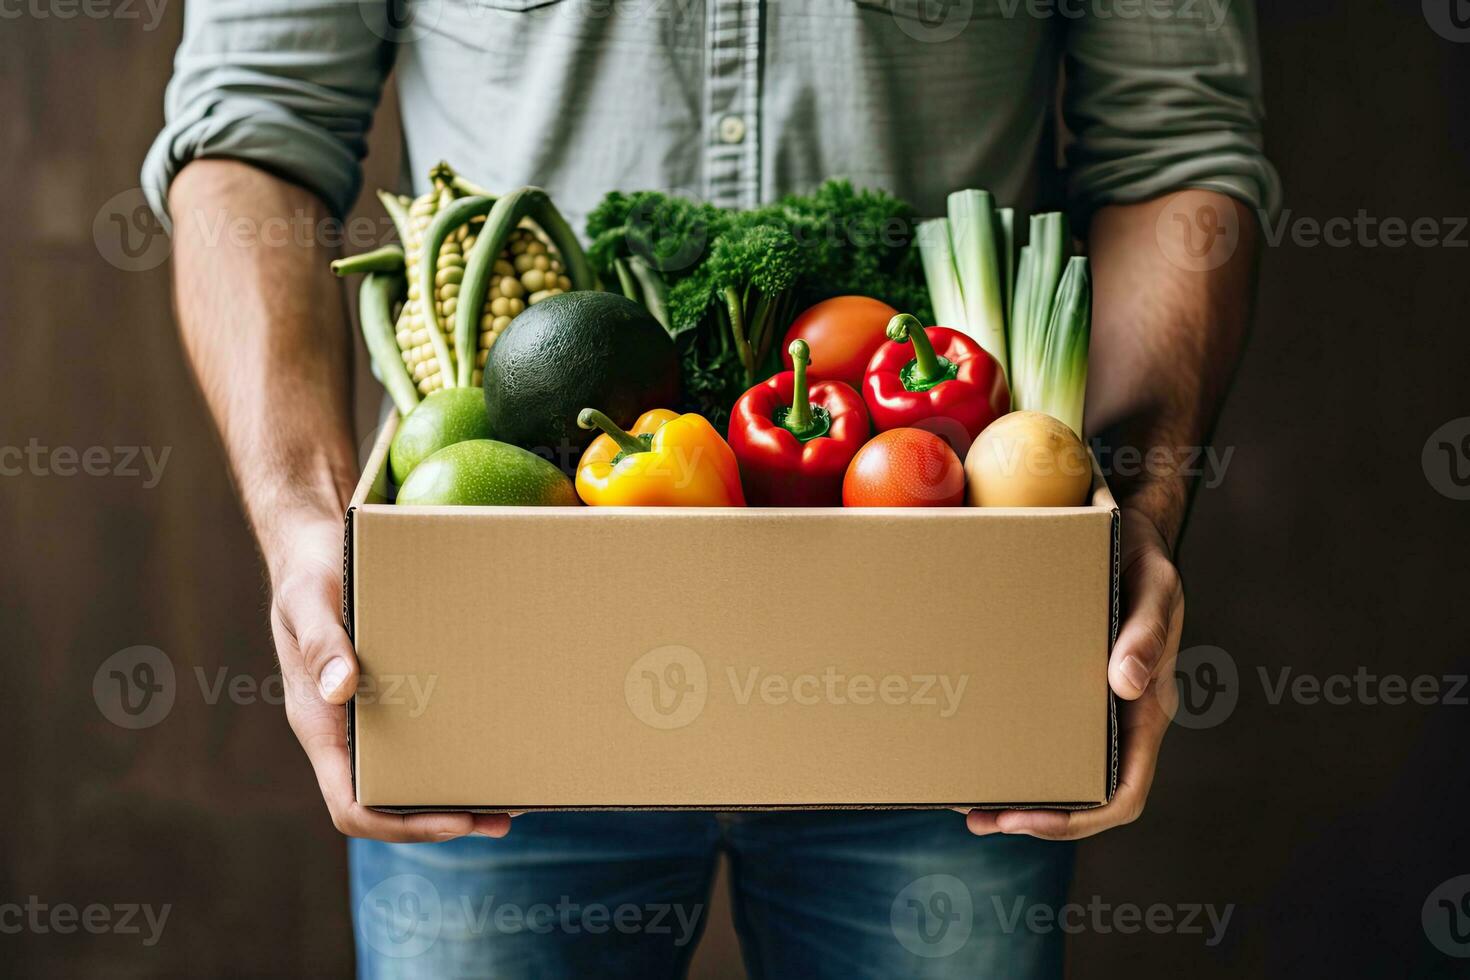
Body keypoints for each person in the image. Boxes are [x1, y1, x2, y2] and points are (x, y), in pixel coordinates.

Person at [145, 2, 1276, 976]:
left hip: (941, 656)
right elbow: (255, 127)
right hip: (496, 671)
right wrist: (307, 532)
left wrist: (1128, 519)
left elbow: (1176, 143)